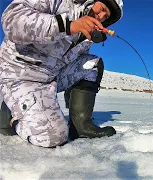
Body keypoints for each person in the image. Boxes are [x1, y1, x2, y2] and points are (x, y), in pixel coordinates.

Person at [0, 0, 123, 147]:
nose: (101, 15)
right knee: (54, 137)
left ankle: (80, 126)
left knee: (92, 65)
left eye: (106, 16)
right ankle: (10, 116)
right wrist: (68, 26)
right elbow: (11, 20)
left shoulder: (87, 37)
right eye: (102, 8)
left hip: (50, 76)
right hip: (18, 73)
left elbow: (71, 64)